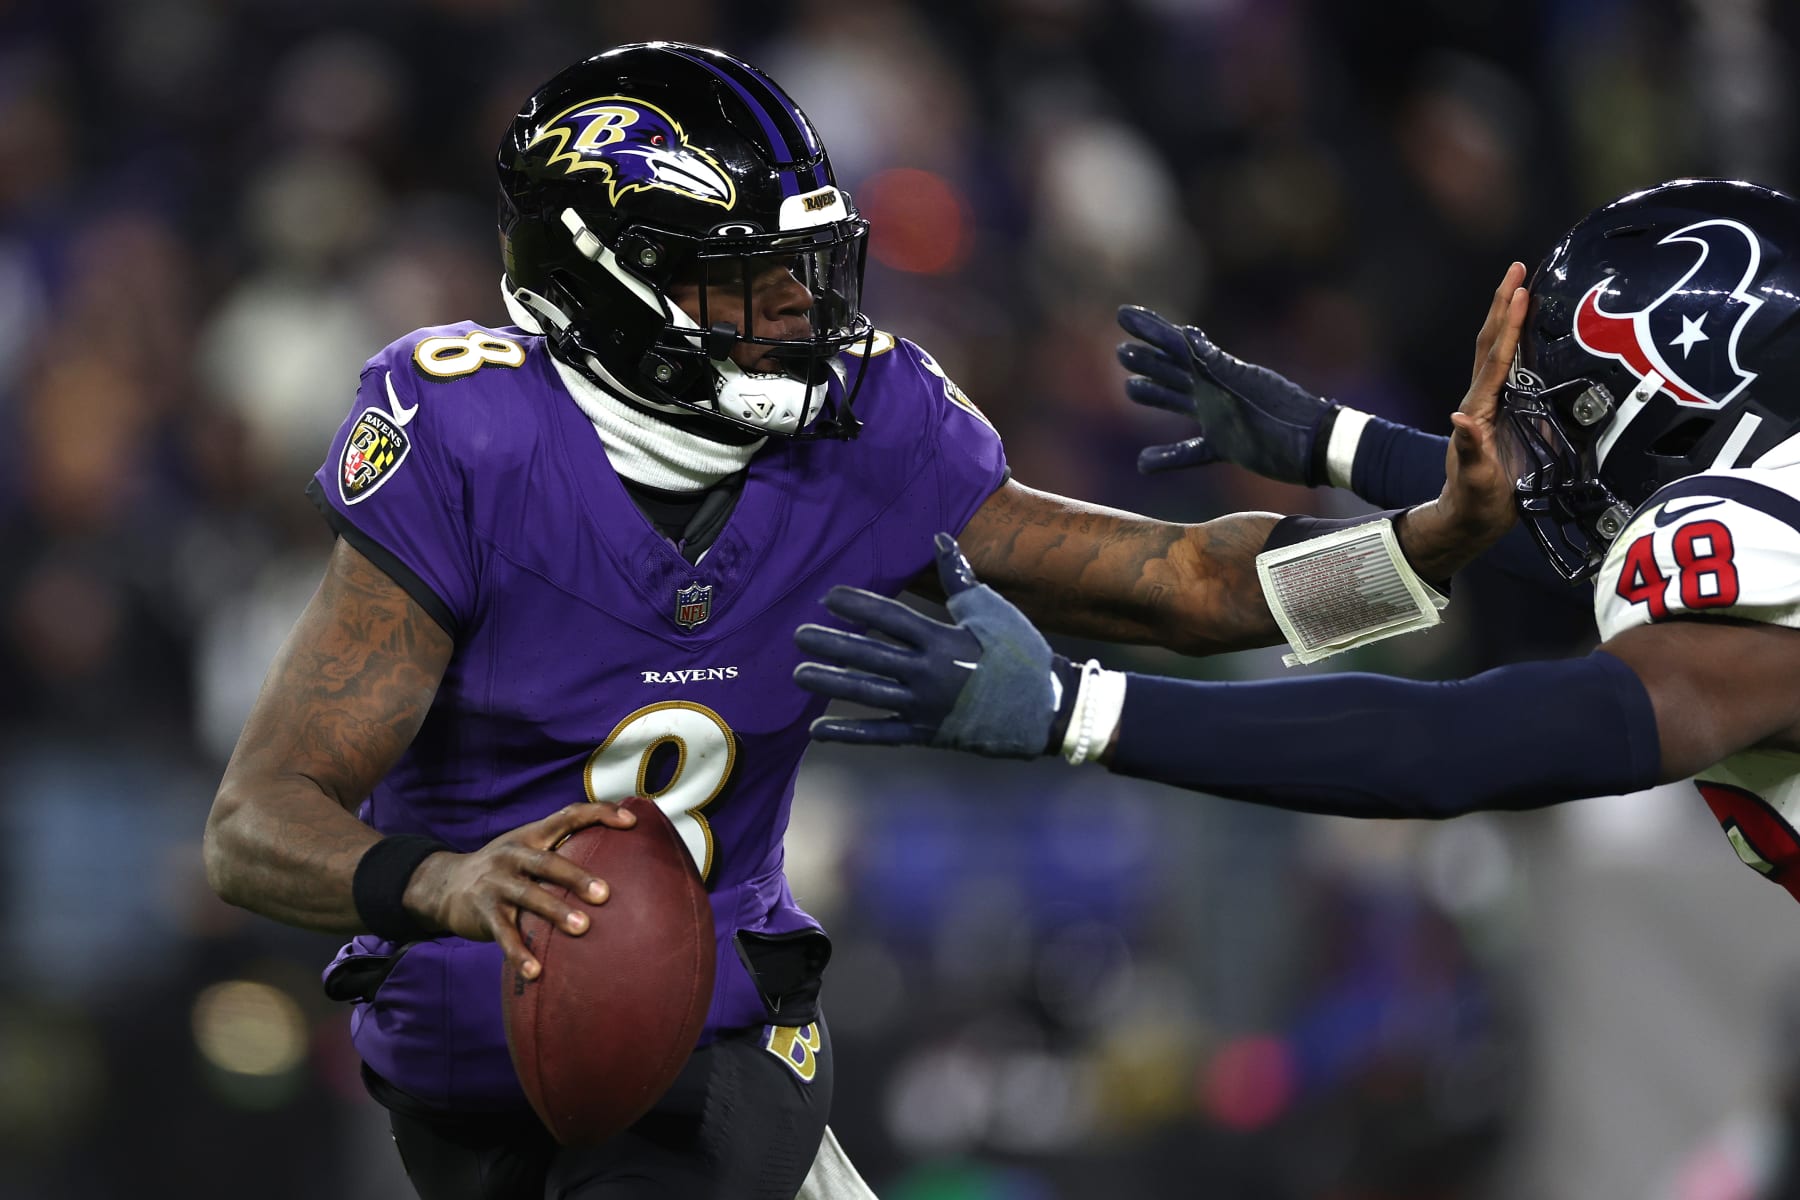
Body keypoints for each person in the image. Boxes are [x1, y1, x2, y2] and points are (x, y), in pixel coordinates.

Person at [202, 41, 1515, 1200]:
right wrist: (448, 882)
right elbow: (258, 823)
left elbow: (1177, 589)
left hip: (716, 1047)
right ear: (603, 282)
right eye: (745, 278)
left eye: (804, 269)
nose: (797, 311)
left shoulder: (864, 432)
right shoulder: (475, 443)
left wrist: (1411, 558)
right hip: (463, 1072)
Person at [794, 177, 1800, 907]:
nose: (1526, 450)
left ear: (1687, 407)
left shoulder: (1737, 544)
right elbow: (1516, 524)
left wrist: (1079, 709)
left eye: (1562, 413)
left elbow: (1454, 746)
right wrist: (1339, 444)